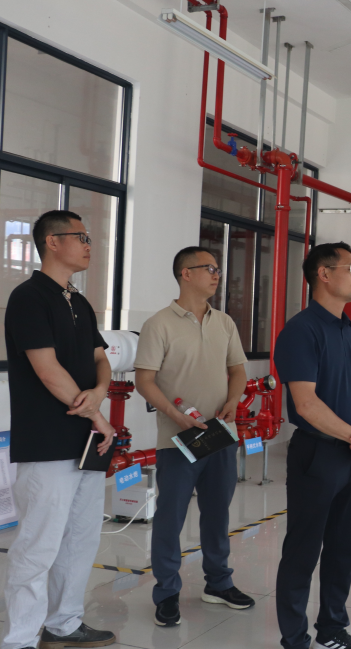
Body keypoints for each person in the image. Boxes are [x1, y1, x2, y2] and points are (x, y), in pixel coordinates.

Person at [2, 210, 117, 649]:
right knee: (38, 544)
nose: (89, 245)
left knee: (80, 539)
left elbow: (100, 357)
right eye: (81, 237)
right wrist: (97, 415)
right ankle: (19, 639)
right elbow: (47, 370)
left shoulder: (79, 302)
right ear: (52, 242)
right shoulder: (29, 298)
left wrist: (101, 392)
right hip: (47, 443)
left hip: (85, 443)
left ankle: (64, 622)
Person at [134, 246, 253, 626]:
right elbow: (144, 380)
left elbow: (238, 370)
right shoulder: (159, 324)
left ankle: (218, 583)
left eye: (217, 269)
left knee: (217, 514)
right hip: (178, 440)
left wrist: (233, 400)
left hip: (220, 435)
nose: (217, 274)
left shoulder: (225, 323)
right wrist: (174, 416)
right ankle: (167, 592)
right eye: (209, 268)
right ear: (186, 274)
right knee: (170, 517)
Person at [274, 242, 351, 649]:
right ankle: (294, 638)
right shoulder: (301, 331)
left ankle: (332, 628)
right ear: (323, 274)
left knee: (344, 547)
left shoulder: (348, 329)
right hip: (318, 453)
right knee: (303, 549)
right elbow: (306, 404)